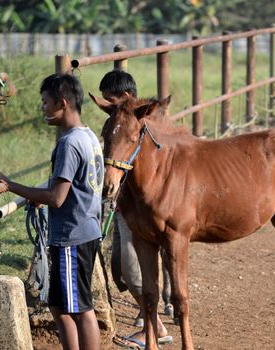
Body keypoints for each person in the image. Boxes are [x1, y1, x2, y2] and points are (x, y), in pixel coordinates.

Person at [0, 73, 102, 350]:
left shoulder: (69, 143)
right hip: (84, 230)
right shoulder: (88, 136)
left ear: (63, 103)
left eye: (46, 102)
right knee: (59, 307)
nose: (43, 108)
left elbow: (56, 198)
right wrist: (38, 194)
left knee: (81, 309)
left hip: (73, 235)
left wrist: (11, 186)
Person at [98, 69, 172, 349]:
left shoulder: (138, 128)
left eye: (111, 99)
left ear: (127, 98)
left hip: (138, 211)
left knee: (130, 269)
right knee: (123, 268)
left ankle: (157, 329)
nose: (106, 105)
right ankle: (150, 320)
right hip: (125, 207)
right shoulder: (118, 125)